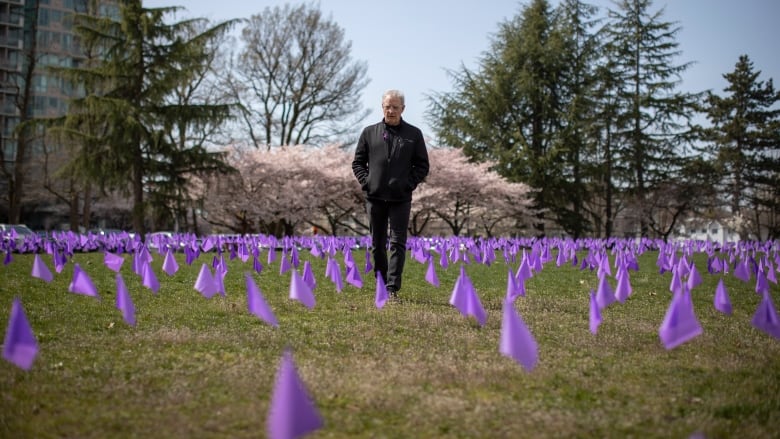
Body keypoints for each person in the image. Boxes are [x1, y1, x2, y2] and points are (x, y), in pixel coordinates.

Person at [352, 89, 430, 300]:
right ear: (382, 108)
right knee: (377, 243)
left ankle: (392, 287)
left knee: (397, 242)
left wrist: (408, 184)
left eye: (395, 107)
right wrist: (366, 182)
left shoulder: (414, 134)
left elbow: (422, 165)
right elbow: (358, 162)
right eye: (388, 106)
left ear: (403, 109)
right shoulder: (369, 132)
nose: (391, 110)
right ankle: (381, 282)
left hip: (400, 198)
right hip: (375, 197)